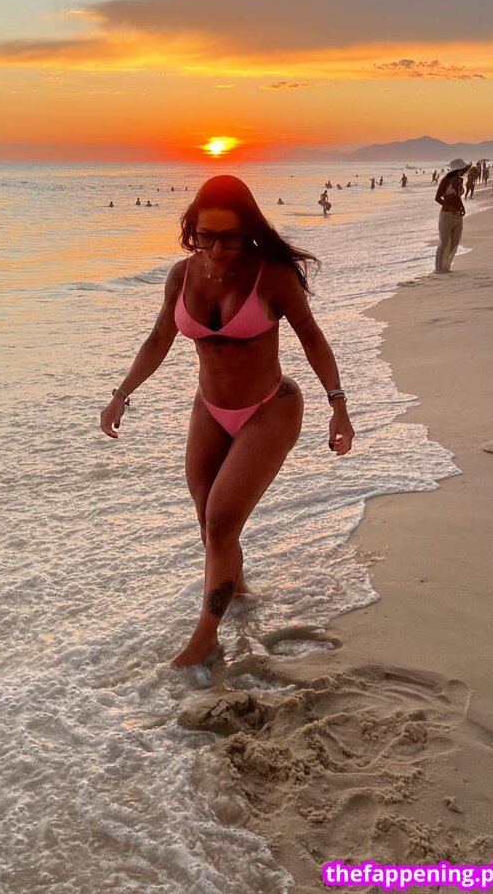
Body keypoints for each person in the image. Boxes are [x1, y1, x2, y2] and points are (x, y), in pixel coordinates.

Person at [99, 175, 354, 668]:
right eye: (206, 236)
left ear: (249, 232)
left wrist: (337, 404)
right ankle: (238, 594)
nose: (217, 248)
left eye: (230, 238)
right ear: (191, 229)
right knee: (209, 523)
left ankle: (205, 639)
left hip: (270, 408)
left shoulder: (271, 275)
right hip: (210, 409)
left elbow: (311, 336)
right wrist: (120, 396)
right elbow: (158, 339)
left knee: (219, 524)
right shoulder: (181, 275)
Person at [434, 160, 468, 273]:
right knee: (444, 242)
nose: (464, 171)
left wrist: (462, 207)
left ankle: (446, 266)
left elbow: (458, 197)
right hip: (447, 214)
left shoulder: (460, 180)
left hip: (458, 213)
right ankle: (439, 268)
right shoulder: (446, 180)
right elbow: (437, 198)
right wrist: (448, 206)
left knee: (455, 242)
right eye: (462, 169)